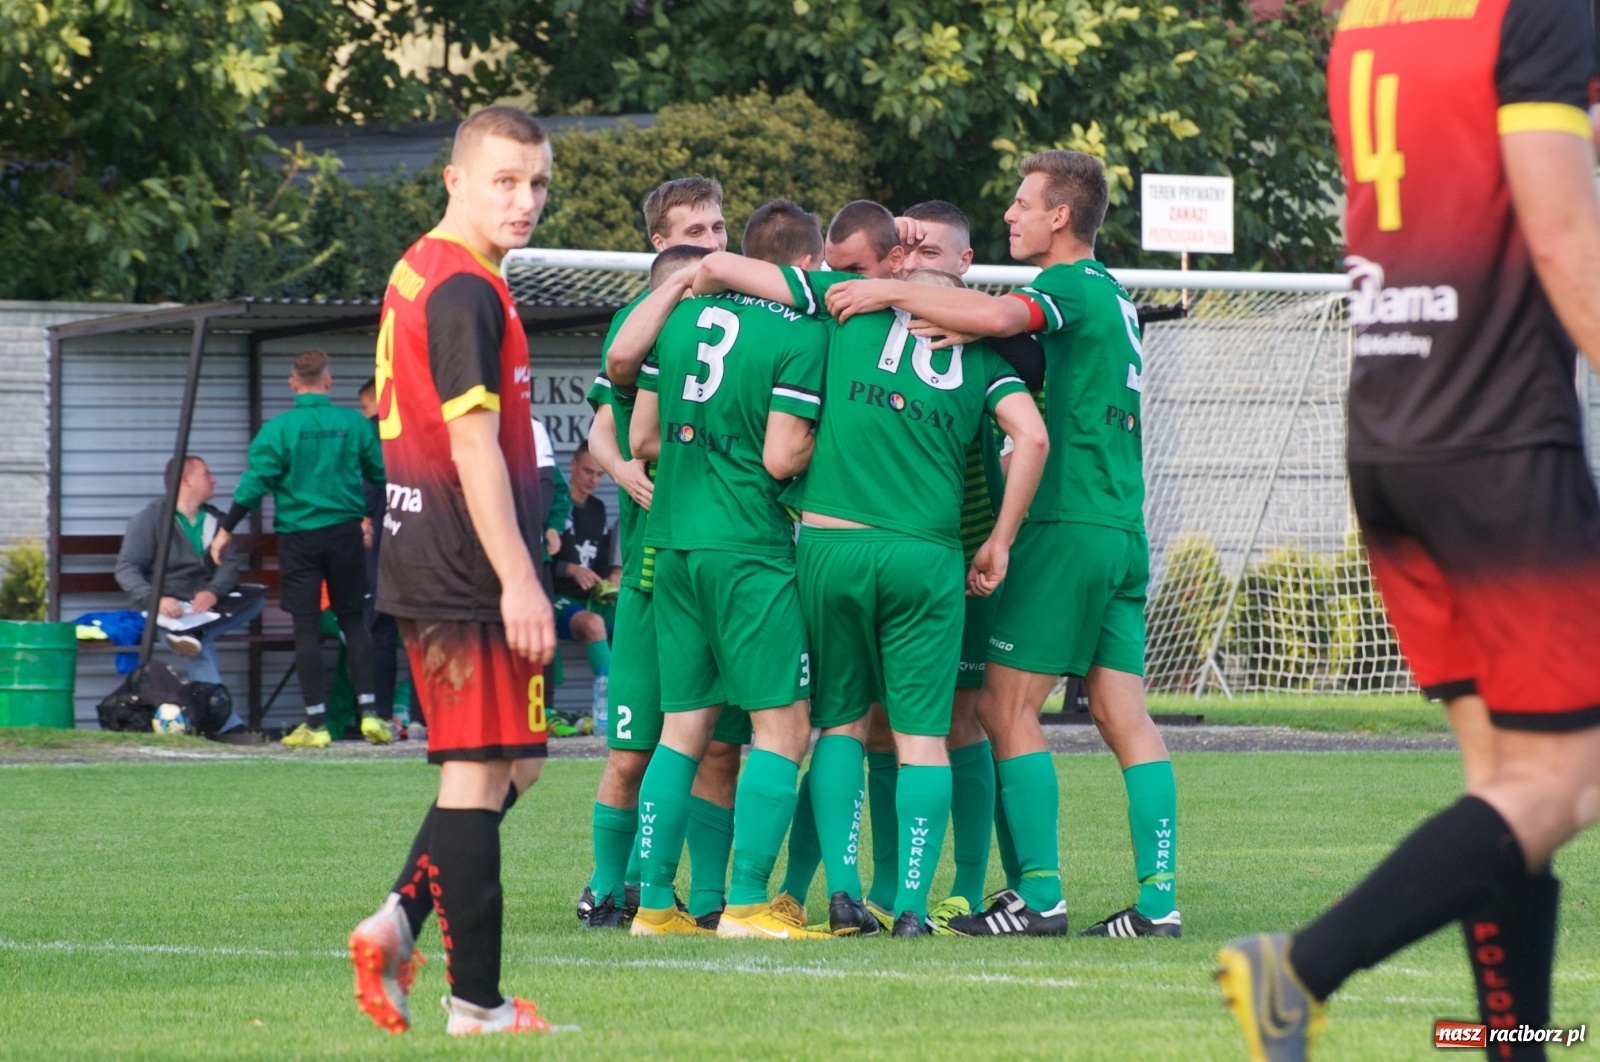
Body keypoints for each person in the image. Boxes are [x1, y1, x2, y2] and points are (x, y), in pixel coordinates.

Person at [1216, 3, 1600, 1058]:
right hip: (1498, 448)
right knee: (1567, 781)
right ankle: (1300, 968)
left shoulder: (1372, 15)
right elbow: (1563, 234)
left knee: (1505, 788)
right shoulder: (1538, 11)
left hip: (1391, 437)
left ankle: (1512, 1045)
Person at [824, 151, 1181, 940]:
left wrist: (887, 287)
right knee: (1123, 714)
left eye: (1023, 203)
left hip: (1066, 522)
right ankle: (1160, 900)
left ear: (1061, 216)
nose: (1011, 214)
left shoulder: (1068, 283)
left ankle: (1039, 896)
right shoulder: (1114, 295)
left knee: (1001, 707)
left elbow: (994, 319)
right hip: (1122, 526)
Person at [346, 104, 559, 1037]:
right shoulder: (464, 287)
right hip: (463, 565)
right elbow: (472, 444)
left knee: (520, 763)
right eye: (505, 181)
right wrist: (518, 578)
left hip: (439, 554)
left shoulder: (427, 266)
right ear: (456, 180)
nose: (525, 200)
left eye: (537, 182)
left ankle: (398, 918)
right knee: (475, 774)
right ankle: (477, 1002)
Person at [786, 264, 1048, 937]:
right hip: (926, 555)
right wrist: (1000, 541)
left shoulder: (847, 317)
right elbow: (1033, 437)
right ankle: (910, 906)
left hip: (833, 544)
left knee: (841, 726)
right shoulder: (982, 356)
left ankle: (843, 894)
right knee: (923, 737)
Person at [607, 239, 832, 940]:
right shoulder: (802, 330)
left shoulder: (680, 318)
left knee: (682, 728)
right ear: (799, 265)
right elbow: (783, 456)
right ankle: (746, 903)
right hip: (747, 546)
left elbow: (643, 438)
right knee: (783, 728)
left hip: (673, 540)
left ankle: (652, 906)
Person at [578, 175, 752, 931]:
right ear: (659, 245)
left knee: (721, 750)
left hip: (732, 563)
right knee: (633, 750)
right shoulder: (640, 318)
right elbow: (602, 417)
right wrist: (621, 469)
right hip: (654, 574)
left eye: (718, 230)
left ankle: (707, 899)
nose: (711, 244)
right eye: (694, 233)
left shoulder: (753, 315)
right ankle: (608, 887)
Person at [897, 198, 1047, 932]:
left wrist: (998, 539)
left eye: (930, 255)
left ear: (964, 264)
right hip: (893, 553)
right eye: (905, 253)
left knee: (965, 718)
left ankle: (968, 884)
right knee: (879, 722)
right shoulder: (875, 329)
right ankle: (891, 885)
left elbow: (1032, 418)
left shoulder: (994, 344)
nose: (913, 267)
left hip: (966, 557)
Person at [211, 348, 386, 748]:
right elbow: (381, 473)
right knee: (354, 621)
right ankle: (371, 715)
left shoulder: (278, 430)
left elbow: (254, 484)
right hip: (346, 534)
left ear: (292, 384)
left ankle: (316, 724)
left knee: (306, 627)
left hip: (299, 538)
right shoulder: (353, 424)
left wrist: (226, 528)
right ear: (328, 381)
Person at [115, 454, 262, 732]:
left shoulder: (217, 520)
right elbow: (126, 568)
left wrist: (213, 592)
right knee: (198, 651)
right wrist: (156, 598)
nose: (214, 480)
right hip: (166, 611)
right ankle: (227, 727)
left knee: (255, 602)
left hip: (203, 611)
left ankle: (196, 633)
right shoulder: (150, 519)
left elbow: (230, 565)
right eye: (206, 474)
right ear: (185, 480)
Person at [550, 440, 617, 712]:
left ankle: (646, 705)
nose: (594, 480)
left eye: (600, 475)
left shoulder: (598, 508)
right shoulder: (555, 505)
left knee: (634, 621)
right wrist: (570, 569)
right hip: (556, 596)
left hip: (590, 598)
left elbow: (600, 560)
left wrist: (608, 579)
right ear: (573, 465)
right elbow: (538, 559)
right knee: (593, 624)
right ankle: (611, 706)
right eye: (588, 471)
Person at [358, 378, 407, 736]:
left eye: (365, 406)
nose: (365, 414)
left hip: (382, 537)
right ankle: (421, 717)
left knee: (380, 627)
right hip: (420, 536)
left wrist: (364, 516)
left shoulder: (372, 433)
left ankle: (382, 712)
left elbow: (369, 483)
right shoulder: (417, 428)